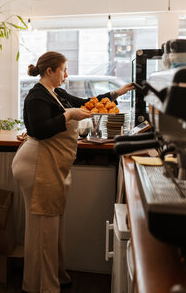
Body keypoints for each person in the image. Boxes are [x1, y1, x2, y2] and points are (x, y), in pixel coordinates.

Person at [12, 51, 133, 293]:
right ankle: (40, 285)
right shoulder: (36, 96)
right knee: (43, 228)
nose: (66, 75)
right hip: (37, 164)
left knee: (51, 225)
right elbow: (39, 129)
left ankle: (53, 275)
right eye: (64, 70)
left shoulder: (56, 93)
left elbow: (85, 104)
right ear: (50, 71)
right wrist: (68, 116)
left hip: (49, 163)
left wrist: (117, 93)